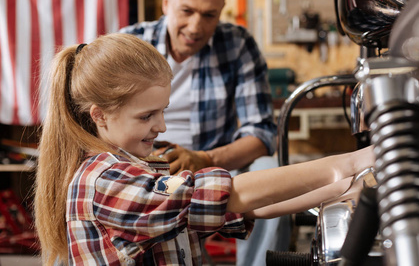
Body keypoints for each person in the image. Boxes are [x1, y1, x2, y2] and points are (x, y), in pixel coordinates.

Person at [34, 33, 374, 265]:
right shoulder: (104, 181)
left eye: (163, 111)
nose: (162, 125)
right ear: (100, 115)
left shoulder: (147, 169)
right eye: (147, 115)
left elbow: (255, 208)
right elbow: (227, 194)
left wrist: (348, 187)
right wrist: (347, 163)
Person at [118, 0, 287, 264]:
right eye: (187, 11)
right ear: (166, 1)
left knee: (269, 169)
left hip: (213, 166)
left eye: (209, 15)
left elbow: (261, 136)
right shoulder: (128, 45)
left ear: (222, 10)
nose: (195, 27)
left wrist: (205, 159)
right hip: (139, 166)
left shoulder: (237, 45)